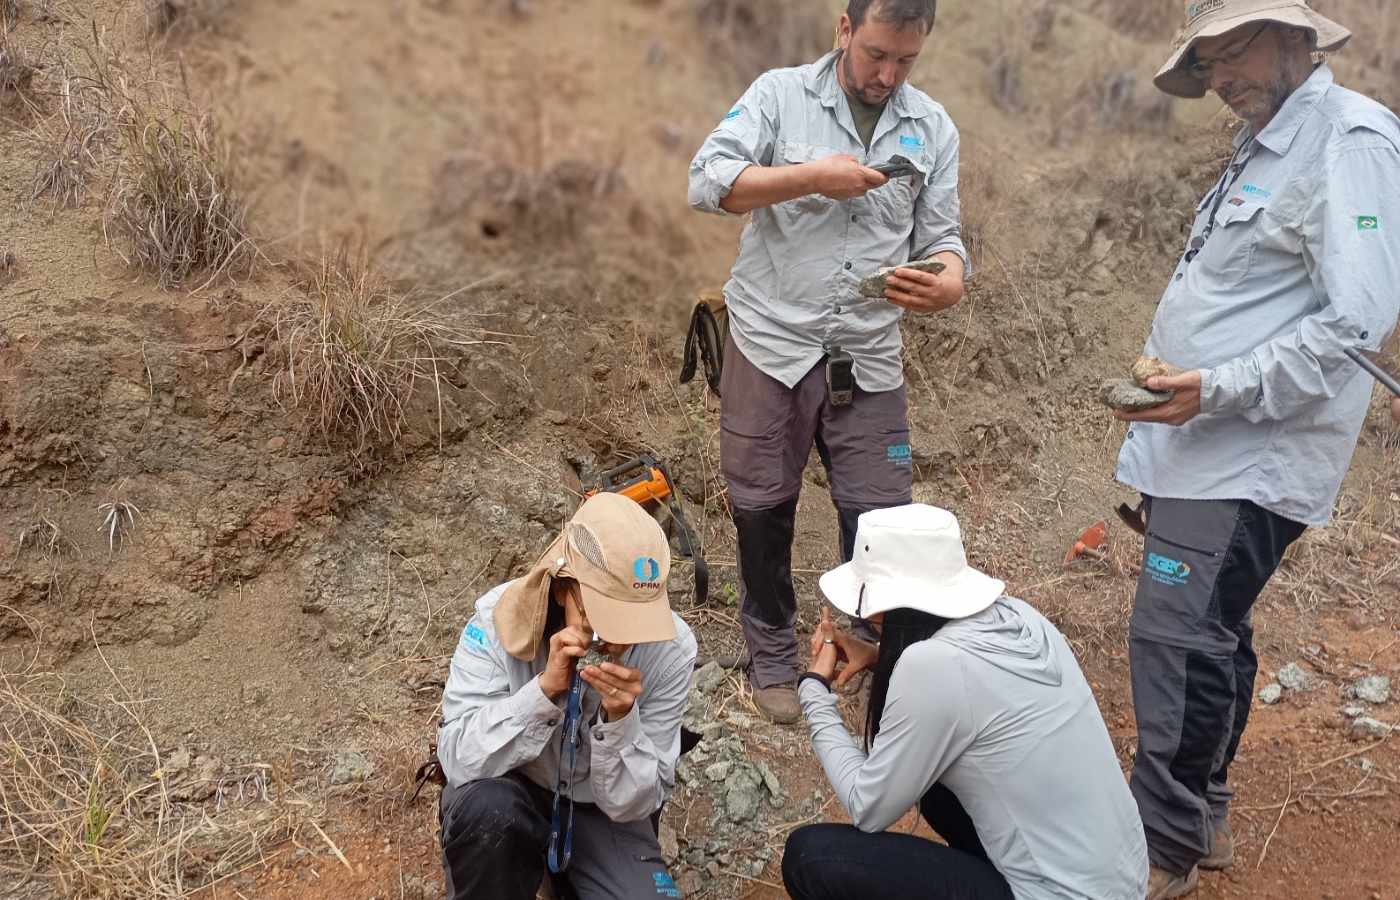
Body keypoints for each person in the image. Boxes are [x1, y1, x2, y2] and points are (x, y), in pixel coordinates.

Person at [1111, 2, 1400, 897]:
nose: (1220, 75)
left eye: (1232, 50)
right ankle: (1203, 813)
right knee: (1211, 632)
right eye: (1207, 60)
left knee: (1175, 638)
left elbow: (1358, 321)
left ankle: (1160, 854)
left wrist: (1218, 386)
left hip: (1249, 451)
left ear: (1294, 39)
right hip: (1200, 444)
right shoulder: (1267, 137)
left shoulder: (1349, 141)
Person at [686, 0, 968, 723]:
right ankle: (773, 656)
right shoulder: (778, 96)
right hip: (770, 344)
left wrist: (944, 280)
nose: (887, 73)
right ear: (843, 29)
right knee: (761, 510)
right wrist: (810, 177)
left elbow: (944, 238)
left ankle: (866, 647)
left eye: (906, 59)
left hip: (869, 355)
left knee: (881, 519)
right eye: (875, 53)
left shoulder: (932, 126)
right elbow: (707, 180)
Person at [781, 504, 1148, 899]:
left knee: (809, 857)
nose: (871, 618)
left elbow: (866, 808)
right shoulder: (1020, 617)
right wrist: (875, 657)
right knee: (934, 787)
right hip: (1122, 880)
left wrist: (815, 687)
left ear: (891, 604)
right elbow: (968, 692)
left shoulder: (932, 666)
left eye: (872, 611)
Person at [435, 492, 696, 900]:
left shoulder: (672, 649)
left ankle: (571, 874)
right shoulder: (493, 620)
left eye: (634, 621)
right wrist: (542, 693)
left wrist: (622, 723)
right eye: (603, 617)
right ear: (562, 589)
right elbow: (456, 757)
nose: (617, 640)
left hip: (600, 810)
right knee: (489, 814)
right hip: (513, 787)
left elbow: (641, 801)